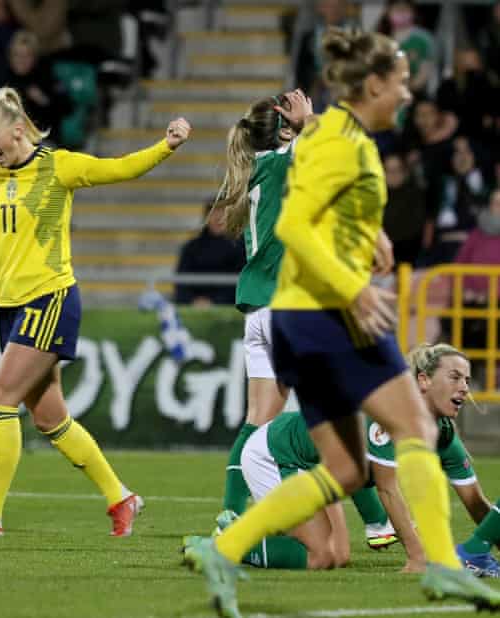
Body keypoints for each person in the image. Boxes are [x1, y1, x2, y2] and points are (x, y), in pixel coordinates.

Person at [182, 27, 500, 618]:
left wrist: (369, 236)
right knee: (412, 429)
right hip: (319, 313)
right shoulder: (335, 139)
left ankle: (222, 550)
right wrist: (354, 286)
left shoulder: (348, 139)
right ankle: (443, 568)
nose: (409, 94)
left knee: (351, 465)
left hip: (312, 314)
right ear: (374, 84)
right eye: (401, 83)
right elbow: (297, 226)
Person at [0, 87, 191, 537]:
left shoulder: (58, 166)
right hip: (11, 306)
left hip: (49, 299)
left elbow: (118, 169)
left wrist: (165, 146)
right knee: (50, 418)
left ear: (16, 130)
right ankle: (121, 497)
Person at [208, 88, 316, 525]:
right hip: (284, 306)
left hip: (259, 310)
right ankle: (378, 522)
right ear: (285, 129)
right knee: (328, 411)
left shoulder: (255, 169)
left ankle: (231, 513)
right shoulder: (280, 167)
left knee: (258, 419)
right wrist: (309, 122)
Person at [364, 344, 500, 577]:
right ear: (424, 380)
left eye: (467, 380)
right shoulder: (391, 412)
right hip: (289, 458)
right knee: (318, 556)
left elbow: (476, 503)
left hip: (335, 484)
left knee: (333, 554)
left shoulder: (444, 433)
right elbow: (387, 489)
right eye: (455, 377)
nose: (464, 388)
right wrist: (417, 557)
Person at [205, 411, 398, 571]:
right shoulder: (375, 413)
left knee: (339, 555)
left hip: (312, 463)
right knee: (321, 556)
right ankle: (225, 542)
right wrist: (380, 524)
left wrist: (379, 525)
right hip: (276, 456)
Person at [173, 204, 244, 307]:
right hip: (194, 307)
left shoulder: (240, 248)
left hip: (229, 306)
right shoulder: (191, 248)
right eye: (214, 213)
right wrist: (192, 301)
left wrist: (215, 302)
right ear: (206, 217)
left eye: (223, 213)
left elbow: (241, 283)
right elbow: (181, 281)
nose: (218, 218)